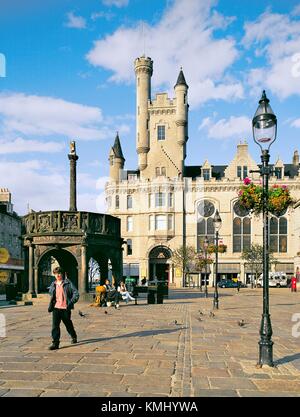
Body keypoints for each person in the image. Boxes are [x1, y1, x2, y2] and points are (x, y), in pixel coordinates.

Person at [48, 267, 79, 350]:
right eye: (55, 273)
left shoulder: (68, 283)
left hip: (65, 308)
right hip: (56, 308)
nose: (58, 275)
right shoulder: (53, 284)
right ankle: (55, 343)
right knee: (55, 326)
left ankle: (73, 336)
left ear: (62, 274)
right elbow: (51, 293)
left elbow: (76, 293)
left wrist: (70, 302)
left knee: (68, 324)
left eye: (59, 273)